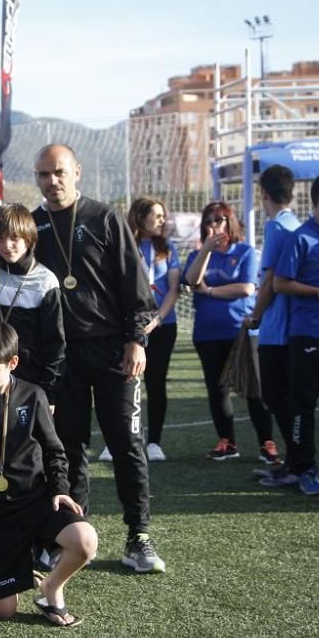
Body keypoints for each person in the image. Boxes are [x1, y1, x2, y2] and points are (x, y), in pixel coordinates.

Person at [31, 144, 164, 573]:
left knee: (126, 443)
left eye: (59, 172)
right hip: (61, 359)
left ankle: (138, 536)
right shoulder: (34, 225)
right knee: (69, 448)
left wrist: (136, 340)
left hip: (113, 352)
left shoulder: (105, 218)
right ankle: (73, 531)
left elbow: (136, 286)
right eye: (43, 174)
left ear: (77, 172)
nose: (52, 181)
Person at [0, 317, 97, 625]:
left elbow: (54, 451)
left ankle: (52, 587)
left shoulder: (33, 395)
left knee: (85, 540)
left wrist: (60, 489)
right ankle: (10, 575)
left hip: (35, 503)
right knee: (3, 612)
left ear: (12, 362)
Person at [273, 172, 319, 495]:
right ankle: (305, 468)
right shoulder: (300, 237)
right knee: (303, 404)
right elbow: (280, 284)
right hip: (308, 335)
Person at [183, 201, 276, 462]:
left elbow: (246, 288)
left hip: (239, 331)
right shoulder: (197, 255)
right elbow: (191, 281)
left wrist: (211, 291)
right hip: (207, 333)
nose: (214, 224)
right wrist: (206, 252)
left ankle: (267, 443)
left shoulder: (245, 252)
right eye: (209, 220)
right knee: (217, 389)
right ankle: (227, 442)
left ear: (230, 221)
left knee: (253, 388)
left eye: (219, 219)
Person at [111, 197, 182, 463]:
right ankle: (116, 441)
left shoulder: (167, 247)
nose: (163, 220)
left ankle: (154, 442)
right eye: (157, 215)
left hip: (163, 326)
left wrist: (157, 320)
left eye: (164, 215)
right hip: (130, 327)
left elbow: (174, 288)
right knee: (124, 382)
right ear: (141, 217)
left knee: (156, 383)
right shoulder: (126, 245)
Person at [244, 165, 301, 486]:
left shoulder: (278, 227)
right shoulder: (297, 225)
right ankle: (296, 461)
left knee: (277, 397)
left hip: (277, 328)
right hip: (295, 326)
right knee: (288, 398)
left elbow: (268, 283)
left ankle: (296, 463)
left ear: (264, 194)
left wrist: (255, 316)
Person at [0, 203, 65, 405]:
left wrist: (49, 394)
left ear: (28, 238)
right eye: (0, 239)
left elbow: (55, 345)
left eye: (14, 238)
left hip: (32, 384)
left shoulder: (45, 282)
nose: (7, 245)